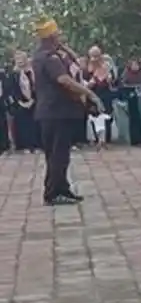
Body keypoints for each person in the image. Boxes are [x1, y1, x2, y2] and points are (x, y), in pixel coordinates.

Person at [31, 20, 100, 206]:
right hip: (55, 111)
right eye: (58, 33)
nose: (61, 35)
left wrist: (66, 49)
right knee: (57, 155)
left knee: (60, 154)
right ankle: (53, 193)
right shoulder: (47, 57)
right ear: (51, 36)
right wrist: (89, 92)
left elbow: (77, 65)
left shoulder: (54, 54)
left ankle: (62, 188)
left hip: (61, 111)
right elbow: (64, 79)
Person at [9, 52, 38, 152]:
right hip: (20, 103)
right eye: (18, 59)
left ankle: (34, 145)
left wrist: (32, 100)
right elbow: (12, 90)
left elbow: (35, 87)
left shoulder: (31, 72)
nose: (20, 61)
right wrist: (20, 102)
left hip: (33, 102)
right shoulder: (13, 74)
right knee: (22, 124)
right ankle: (23, 146)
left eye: (22, 58)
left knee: (34, 124)